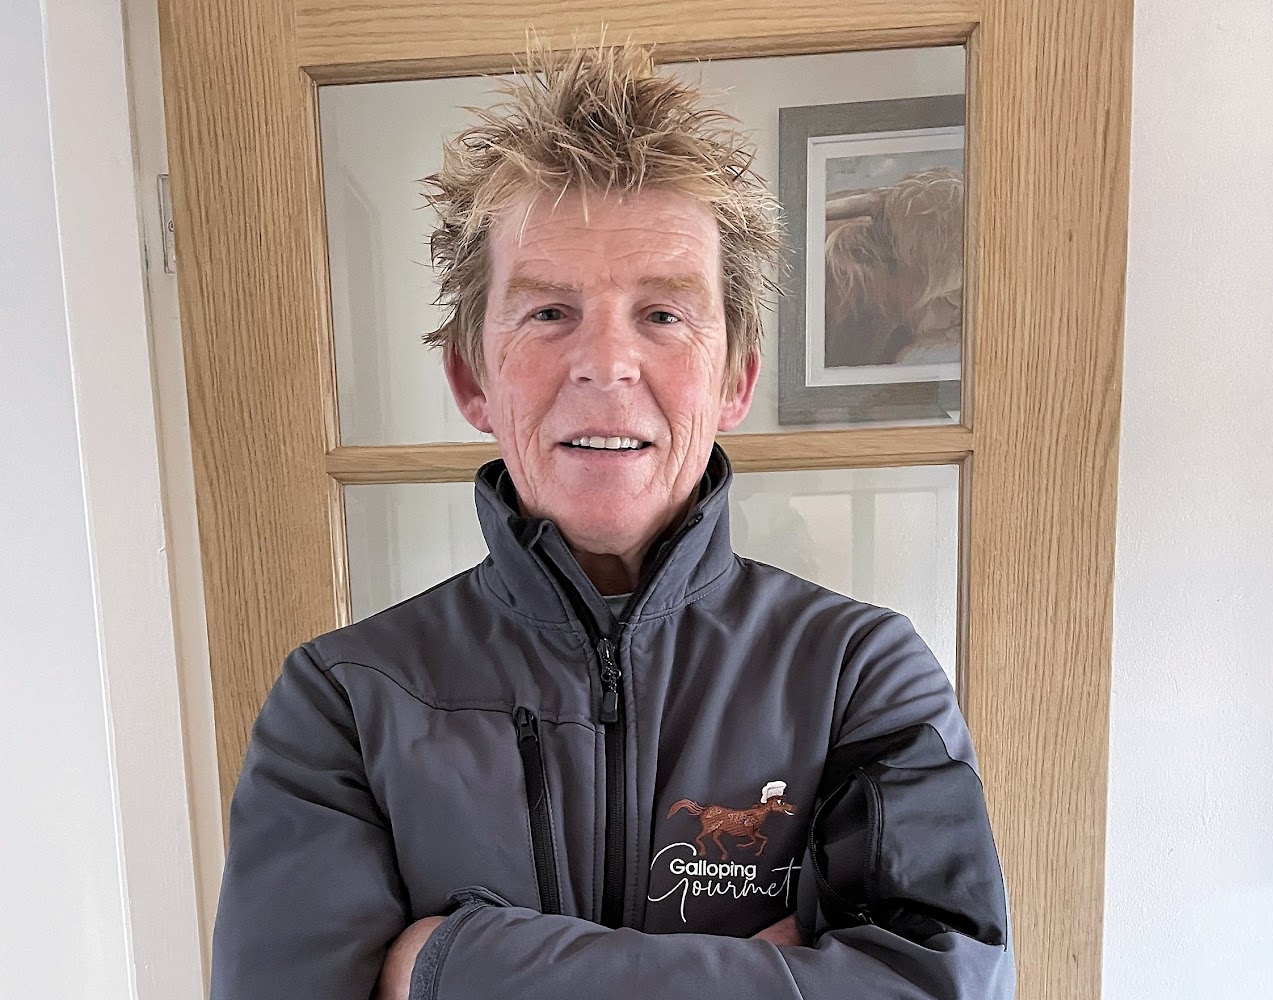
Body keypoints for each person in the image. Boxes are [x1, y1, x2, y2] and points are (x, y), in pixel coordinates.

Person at [211, 41, 1014, 1000]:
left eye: (663, 314)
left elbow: (943, 985)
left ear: (736, 378)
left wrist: (448, 964)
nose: (605, 363)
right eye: (549, 311)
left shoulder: (860, 676)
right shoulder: (343, 701)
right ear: (472, 379)